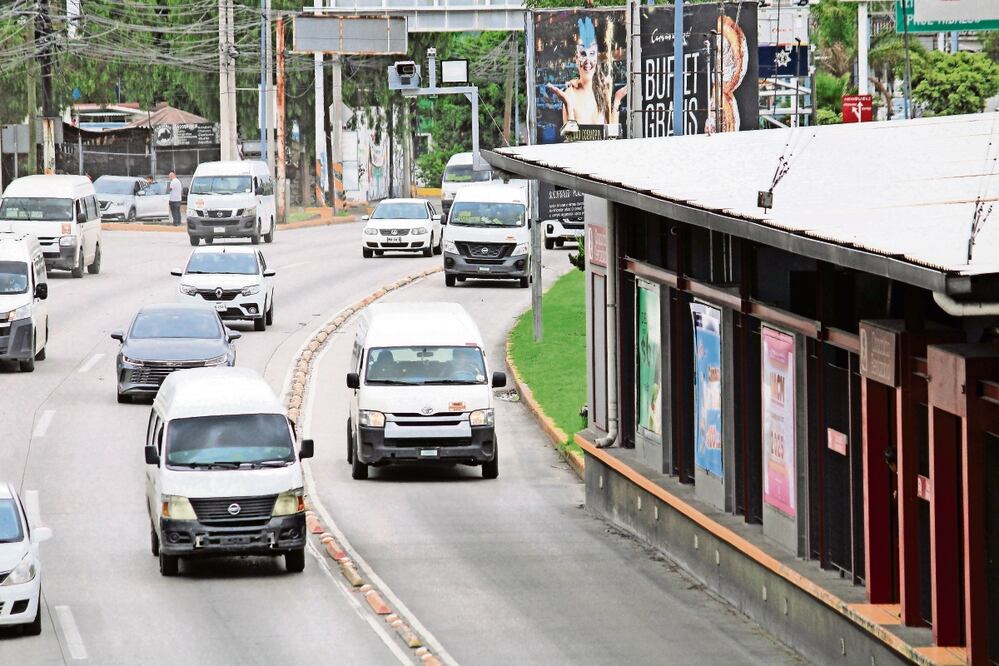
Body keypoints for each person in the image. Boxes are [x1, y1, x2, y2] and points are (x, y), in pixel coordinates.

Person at [547, 16, 626, 127]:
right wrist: (568, 104)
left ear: (597, 57)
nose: (588, 60)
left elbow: (612, 135)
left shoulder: (602, 91)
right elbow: (570, 138)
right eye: (583, 54)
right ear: (576, 58)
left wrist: (617, 99)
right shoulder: (570, 93)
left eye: (592, 53)